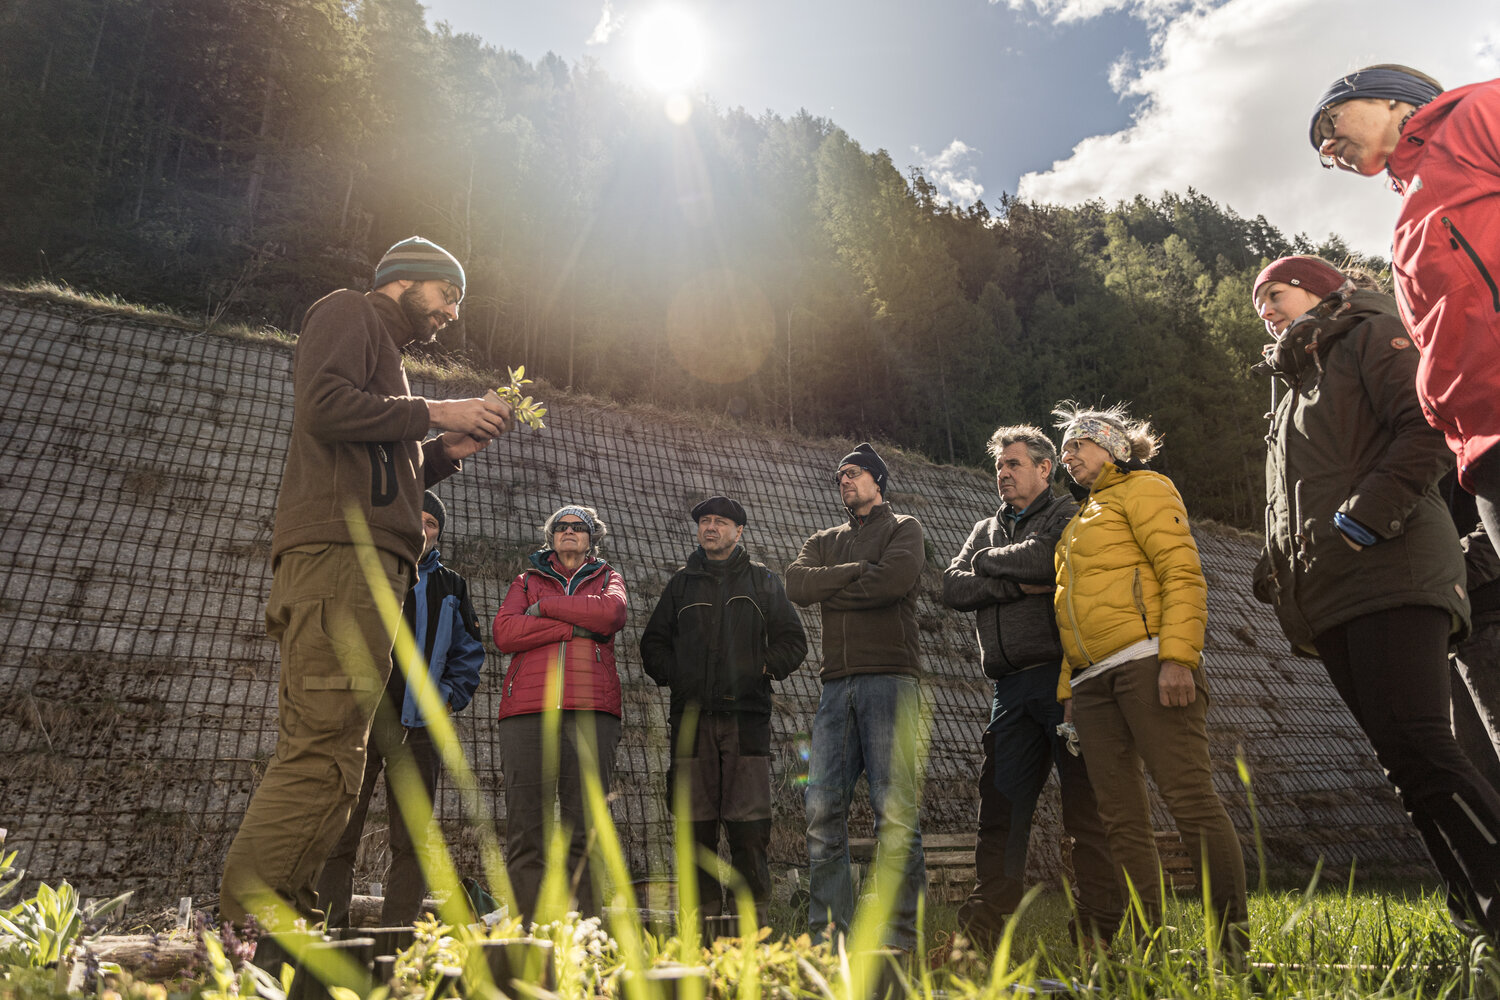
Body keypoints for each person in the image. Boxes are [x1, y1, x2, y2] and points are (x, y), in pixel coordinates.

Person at [220, 236, 513, 927]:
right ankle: (247, 932)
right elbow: (324, 406)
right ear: (405, 280)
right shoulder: (348, 311)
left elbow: (376, 466)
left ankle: (280, 922)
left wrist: (440, 454)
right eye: (447, 295)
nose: (450, 313)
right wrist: (439, 412)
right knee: (324, 748)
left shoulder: (388, 363)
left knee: (340, 755)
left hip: (365, 564)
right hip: (338, 560)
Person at [1251, 255, 1500, 935]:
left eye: (1274, 294)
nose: (1265, 310)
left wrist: (1369, 515)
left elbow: (1427, 429)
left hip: (1393, 568)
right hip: (1332, 589)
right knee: (1403, 763)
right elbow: (1295, 498)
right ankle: (1479, 919)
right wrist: (1276, 565)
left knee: (1422, 746)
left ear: (1321, 288)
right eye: (1259, 305)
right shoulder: (1289, 393)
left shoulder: (1370, 332)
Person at [1050, 404, 1248, 960]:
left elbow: (1181, 572)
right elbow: (1071, 614)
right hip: (1092, 685)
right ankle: (1150, 949)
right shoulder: (1075, 523)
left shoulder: (1147, 490)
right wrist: (1069, 691)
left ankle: (1229, 948)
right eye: (1064, 450)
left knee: (1190, 801)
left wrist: (1178, 657)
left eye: (1078, 445)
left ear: (1111, 446)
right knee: (1120, 822)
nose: (1069, 457)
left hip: (1147, 662)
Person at [1306, 65, 1500, 555]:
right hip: (1483, 454)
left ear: (1391, 98)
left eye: (1329, 125)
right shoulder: (1406, 225)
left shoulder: (1477, 113)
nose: (1327, 148)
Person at [941, 425, 1120, 954]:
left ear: (1045, 469)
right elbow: (952, 585)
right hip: (1009, 690)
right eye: (999, 467)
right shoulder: (983, 526)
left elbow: (1049, 559)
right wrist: (1015, 583)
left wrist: (991, 569)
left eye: (1014, 464)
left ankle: (1098, 939)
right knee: (999, 811)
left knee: (1085, 811)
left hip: (1064, 682)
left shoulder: (1066, 514)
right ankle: (978, 943)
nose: (1003, 474)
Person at [316, 491, 486, 927]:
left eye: (432, 523)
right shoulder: (365, 570)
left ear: (438, 534)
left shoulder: (452, 585)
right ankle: (329, 928)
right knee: (339, 832)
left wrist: (446, 697)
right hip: (360, 720)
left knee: (410, 840)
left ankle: (396, 935)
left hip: (419, 728)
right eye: (417, 519)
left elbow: (469, 651)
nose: (423, 529)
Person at [639, 495, 808, 930]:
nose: (710, 528)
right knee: (695, 830)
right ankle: (702, 927)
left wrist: (761, 668)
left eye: (720, 522)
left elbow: (793, 641)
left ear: (739, 532)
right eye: (705, 522)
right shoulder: (681, 585)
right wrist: (680, 676)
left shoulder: (763, 582)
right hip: (691, 724)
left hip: (746, 724)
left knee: (749, 831)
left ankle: (753, 928)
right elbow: (652, 645)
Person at [785, 442, 926, 953]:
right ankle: (827, 940)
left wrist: (835, 587)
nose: (845, 480)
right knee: (822, 811)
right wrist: (851, 572)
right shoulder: (824, 539)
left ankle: (898, 939)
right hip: (834, 686)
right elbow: (797, 584)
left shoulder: (904, 528)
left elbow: (892, 582)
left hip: (890, 679)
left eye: (855, 472)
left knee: (895, 810)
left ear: (878, 481)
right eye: (840, 475)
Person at [491, 505, 627, 924]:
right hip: (527, 713)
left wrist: (545, 609)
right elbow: (505, 632)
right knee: (526, 829)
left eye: (578, 527)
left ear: (591, 538)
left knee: (584, 830)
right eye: (561, 527)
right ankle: (524, 932)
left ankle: (585, 934)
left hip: (592, 712)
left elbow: (612, 614)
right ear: (550, 538)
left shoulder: (608, 577)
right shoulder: (525, 580)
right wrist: (574, 625)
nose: (569, 532)